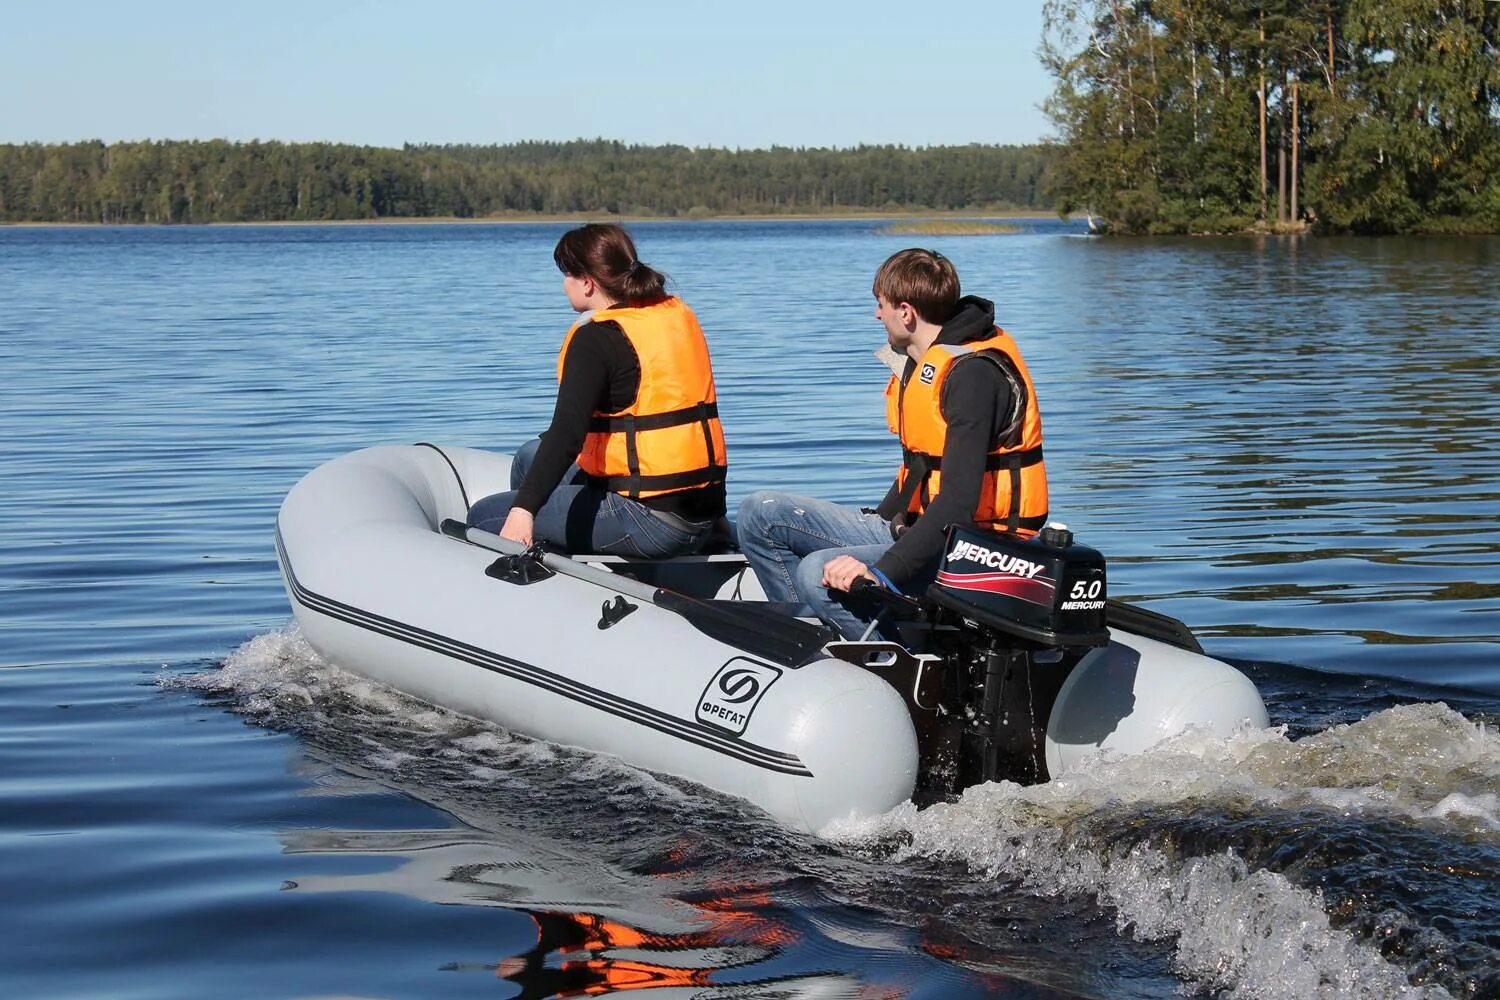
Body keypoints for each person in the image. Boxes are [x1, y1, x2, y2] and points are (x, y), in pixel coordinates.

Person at [736, 248, 1048, 639]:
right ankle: (813, 643)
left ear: (906, 311)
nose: (876, 315)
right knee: (759, 514)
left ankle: (891, 661)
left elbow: (957, 505)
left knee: (818, 572)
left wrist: (882, 572)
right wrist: (881, 519)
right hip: (922, 530)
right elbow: (921, 468)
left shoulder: (972, 377)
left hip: (976, 550)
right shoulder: (925, 360)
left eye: (880, 305)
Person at [467, 223, 727, 557]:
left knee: (484, 516)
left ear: (588, 284)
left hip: (650, 520)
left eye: (566, 275)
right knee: (529, 457)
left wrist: (523, 512)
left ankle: (540, 569)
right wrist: (716, 515)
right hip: (700, 513)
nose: (563, 284)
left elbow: (566, 436)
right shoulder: (672, 317)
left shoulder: (595, 339)